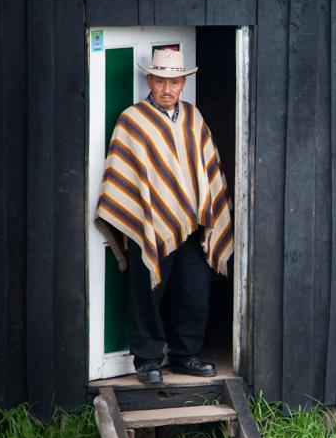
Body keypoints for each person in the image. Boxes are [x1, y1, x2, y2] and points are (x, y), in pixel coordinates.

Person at [95, 48, 233, 384]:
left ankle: (186, 355)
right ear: (150, 81)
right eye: (160, 81)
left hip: (193, 223)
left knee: (194, 291)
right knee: (147, 291)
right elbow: (123, 174)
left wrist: (206, 209)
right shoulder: (133, 120)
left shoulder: (193, 117)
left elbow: (206, 167)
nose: (167, 88)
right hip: (150, 222)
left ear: (184, 83)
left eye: (174, 81)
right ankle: (147, 360)